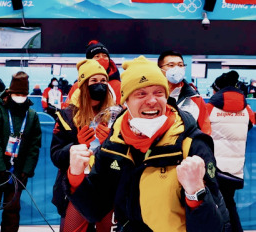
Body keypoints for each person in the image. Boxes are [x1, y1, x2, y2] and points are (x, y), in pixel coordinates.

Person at [66, 56, 230, 231]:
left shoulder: (191, 144)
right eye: (141, 93)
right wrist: (76, 176)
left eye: (159, 93)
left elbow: (216, 226)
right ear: (125, 102)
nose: (152, 101)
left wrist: (196, 193)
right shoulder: (114, 143)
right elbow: (94, 210)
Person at [51, 59, 115, 232]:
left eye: (103, 81)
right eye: (94, 81)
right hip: (77, 186)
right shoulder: (67, 116)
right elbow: (56, 156)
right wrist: (76, 145)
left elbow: (123, 157)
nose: (99, 85)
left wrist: (108, 143)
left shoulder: (116, 116)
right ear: (84, 84)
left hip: (106, 186)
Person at [0, 71, 41, 232]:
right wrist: (0, 168)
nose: (20, 96)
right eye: (17, 93)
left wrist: (27, 170)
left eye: (23, 94)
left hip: (18, 173)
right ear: (10, 92)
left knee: (12, 213)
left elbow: (35, 146)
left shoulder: (32, 116)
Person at [207, 70, 255, 232]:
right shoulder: (246, 108)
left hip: (214, 169)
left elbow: (200, 131)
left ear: (217, 89)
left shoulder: (209, 107)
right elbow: (250, 124)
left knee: (216, 208)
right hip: (235, 170)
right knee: (228, 203)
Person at [158, 50, 211, 135]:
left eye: (180, 65)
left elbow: (205, 130)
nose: (177, 68)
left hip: (187, 147)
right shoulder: (151, 98)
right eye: (171, 65)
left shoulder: (195, 99)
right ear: (160, 69)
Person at [64, 40, 121, 108]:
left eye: (105, 56)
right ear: (90, 60)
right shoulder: (79, 86)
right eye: (97, 56)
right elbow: (67, 109)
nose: (102, 59)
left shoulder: (118, 85)